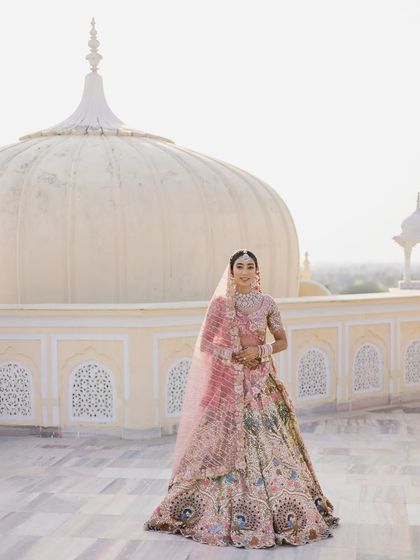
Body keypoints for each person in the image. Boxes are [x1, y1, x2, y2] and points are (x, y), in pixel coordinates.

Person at [144, 249, 339, 548]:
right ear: (231, 272)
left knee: (272, 443)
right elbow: (207, 342)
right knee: (213, 443)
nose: (245, 272)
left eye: (250, 266)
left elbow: (282, 341)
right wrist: (233, 355)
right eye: (239, 267)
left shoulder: (267, 303)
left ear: (257, 271)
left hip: (261, 383)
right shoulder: (222, 305)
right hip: (228, 385)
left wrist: (259, 352)